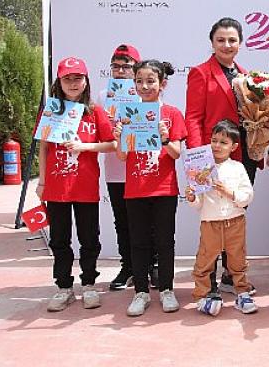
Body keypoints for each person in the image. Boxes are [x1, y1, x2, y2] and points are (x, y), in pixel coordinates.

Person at [38, 57, 115, 312]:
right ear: (59, 82)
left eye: (78, 78)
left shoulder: (95, 111)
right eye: (67, 78)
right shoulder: (51, 110)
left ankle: (89, 284)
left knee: (89, 238)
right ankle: (64, 287)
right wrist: (42, 182)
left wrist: (85, 147)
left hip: (85, 186)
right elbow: (44, 148)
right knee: (59, 239)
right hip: (57, 188)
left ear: (86, 81)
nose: (73, 83)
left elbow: (113, 144)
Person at [185, 17, 254, 296]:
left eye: (232, 40)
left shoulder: (246, 75)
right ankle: (208, 282)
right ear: (212, 42)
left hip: (242, 155)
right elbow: (193, 117)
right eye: (221, 40)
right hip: (211, 156)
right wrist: (199, 157)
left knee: (235, 214)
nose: (227, 45)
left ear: (240, 43)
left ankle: (231, 275)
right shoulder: (200, 73)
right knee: (212, 221)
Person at [114, 60, 187, 317]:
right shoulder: (127, 113)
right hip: (136, 189)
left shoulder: (172, 113)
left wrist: (165, 138)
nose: (144, 87)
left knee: (165, 241)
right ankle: (141, 292)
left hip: (164, 189)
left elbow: (176, 153)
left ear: (162, 83)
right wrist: (119, 137)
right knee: (138, 242)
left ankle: (167, 289)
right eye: (139, 81)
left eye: (150, 81)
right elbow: (122, 156)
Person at [97, 44, 160, 291]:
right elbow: (100, 136)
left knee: (150, 220)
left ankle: (152, 266)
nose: (121, 71)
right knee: (122, 221)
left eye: (126, 66)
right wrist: (111, 129)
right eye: (116, 66)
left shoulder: (147, 94)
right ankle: (129, 267)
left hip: (144, 168)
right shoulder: (102, 97)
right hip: (116, 170)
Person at [185, 120, 256, 316]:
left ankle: (242, 293)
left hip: (235, 221)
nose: (217, 145)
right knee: (204, 261)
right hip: (210, 223)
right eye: (214, 140)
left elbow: (247, 195)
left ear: (234, 147)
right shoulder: (201, 168)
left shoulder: (238, 167)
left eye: (223, 142)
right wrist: (191, 197)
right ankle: (202, 296)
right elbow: (198, 203)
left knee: (238, 260)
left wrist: (229, 192)